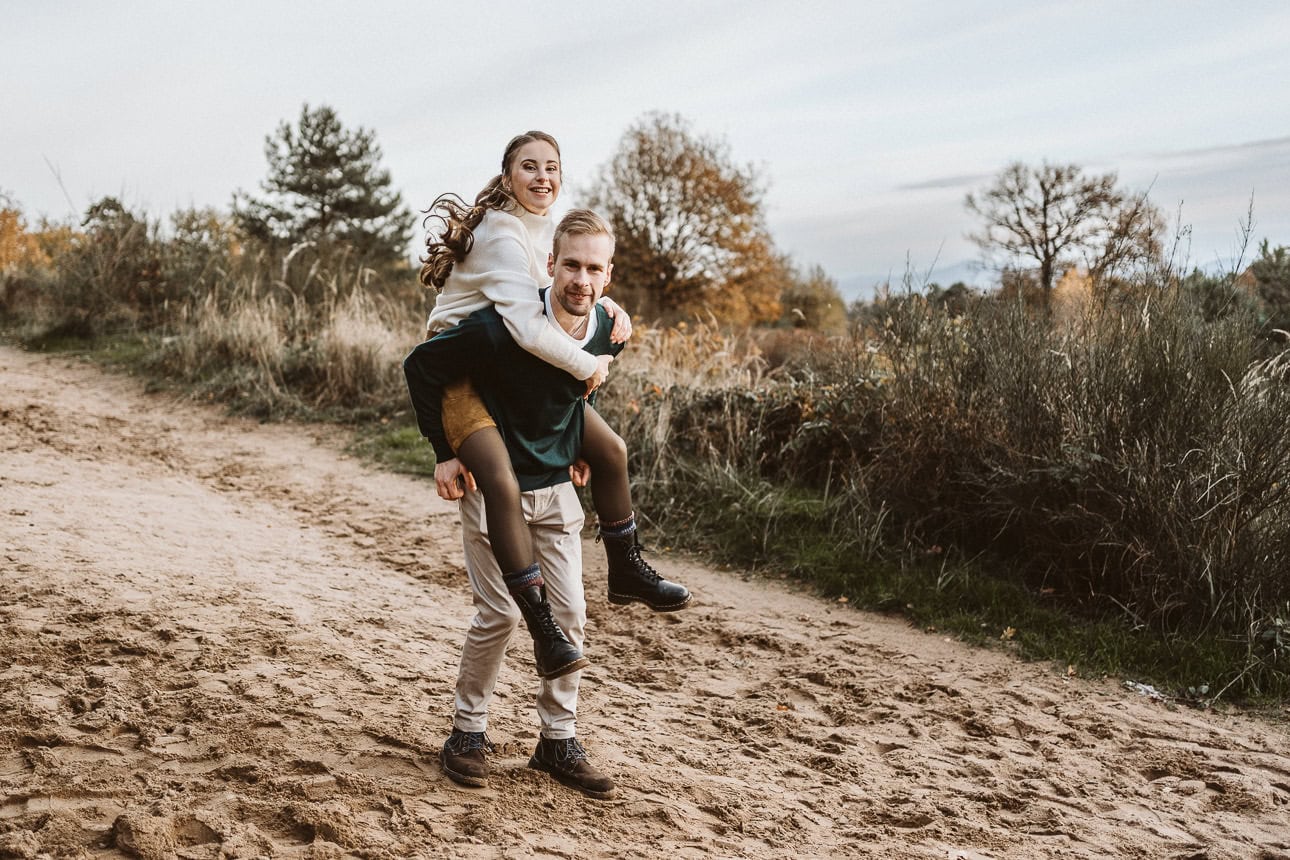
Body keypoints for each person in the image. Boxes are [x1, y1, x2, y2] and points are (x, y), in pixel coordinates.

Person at [417, 131, 689, 683]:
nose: (543, 177)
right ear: (507, 175)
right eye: (529, 167)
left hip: (509, 363)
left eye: (552, 167)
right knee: (500, 480)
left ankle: (625, 568)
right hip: (462, 369)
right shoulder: (501, 233)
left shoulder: (541, 228)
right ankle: (541, 626)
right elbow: (526, 327)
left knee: (610, 449)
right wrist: (589, 365)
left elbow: (561, 281)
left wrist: (606, 302)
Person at [403, 209, 629, 798]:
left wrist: (576, 442)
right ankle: (467, 731)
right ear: (550, 264)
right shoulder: (502, 325)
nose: (581, 279)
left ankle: (558, 741)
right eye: (571, 265)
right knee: (500, 615)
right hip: (492, 487)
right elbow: (422, 366)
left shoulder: (604, 327)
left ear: (608, 275)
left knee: (571, 614)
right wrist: (445, 451)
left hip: (555, 491)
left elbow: (575, 390)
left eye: (594, 269)